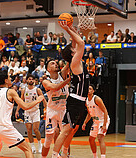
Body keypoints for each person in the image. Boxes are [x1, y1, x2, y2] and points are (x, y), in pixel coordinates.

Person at [51, 21, 89, 158]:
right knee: (66, 130)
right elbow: (81, 43)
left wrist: (71, 28)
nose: (76, 47)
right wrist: (67, 29)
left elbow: (77, 41)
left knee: (71, 129)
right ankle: (55, 155)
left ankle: (65, 153)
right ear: (72, 53)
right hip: (75, 101)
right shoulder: (74, 62)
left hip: (78, 101)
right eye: (74, 48)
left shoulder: (75, 60)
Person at [0, 70, 44, 158]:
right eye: (9, 77)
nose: (11, 79)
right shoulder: (10, 91)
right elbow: (25, 106)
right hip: (4, 126)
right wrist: (38, 100)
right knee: (27, 149)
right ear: (6, 80)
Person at [41, 59, 70, 158]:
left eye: (56, 63)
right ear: (48, 69)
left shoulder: (62, 75)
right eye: (52, 64)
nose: (56, 64)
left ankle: (65, 155)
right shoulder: (46, 81)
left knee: (66, 136)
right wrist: (68, 80)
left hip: (64, 109)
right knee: (48, 139)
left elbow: (69, 64)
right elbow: (55, 87)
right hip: (52, 111)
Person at [15, 74, 46, 154]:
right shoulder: (24, 90)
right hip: (27, 112)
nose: (31, 80)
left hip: (36, 111)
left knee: (36, 130)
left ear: (34, 81)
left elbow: (43, 99)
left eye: (32, 79)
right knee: (29, 130)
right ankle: (32, 146)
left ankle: (40, 144)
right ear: (27, 80)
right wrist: (17, 110)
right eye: (29, 79)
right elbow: (20, 101)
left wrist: (46, 108)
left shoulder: (37, 90)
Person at [82, 85, 110, 158]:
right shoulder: (86, 101)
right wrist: (85, 122)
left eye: (90, 89)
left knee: (100, 137)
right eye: (87, 89)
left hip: (103, 119)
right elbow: (89, 113)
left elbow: (105, 111)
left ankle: (103, 157)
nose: (89, 90)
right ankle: (95, 156)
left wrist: (104, 124)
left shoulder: (97, 99)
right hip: (96, 121)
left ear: (93, 91)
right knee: (91, 139)